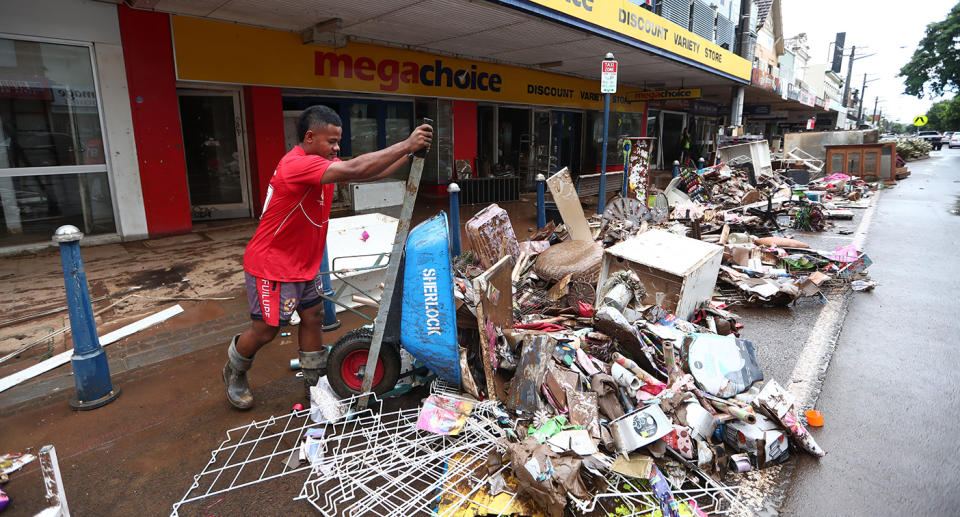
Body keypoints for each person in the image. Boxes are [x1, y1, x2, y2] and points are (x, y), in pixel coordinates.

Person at [223, 105, 432, 409]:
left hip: (303, 263)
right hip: (272, 265)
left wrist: (409, 156)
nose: (337, 149)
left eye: (339, 142)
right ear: (310, 137)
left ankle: (314, 383)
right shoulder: (297, 165)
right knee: (267, 329)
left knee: (314, 316)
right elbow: (355, 168)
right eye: (331, 142)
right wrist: (406, 144)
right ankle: (234, 369)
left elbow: (370, 172)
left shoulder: (322, 164)